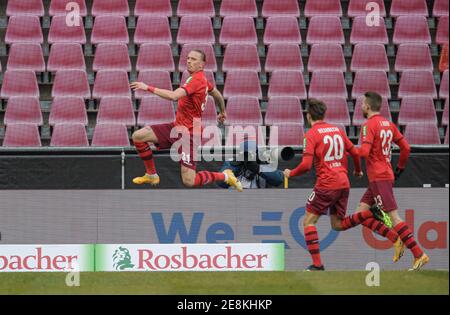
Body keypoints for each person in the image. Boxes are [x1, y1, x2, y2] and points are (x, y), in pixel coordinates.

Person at [284, 99, 384, 271]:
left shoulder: (311, 135)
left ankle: (317, 265)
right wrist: (358, 171)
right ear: (324, 114)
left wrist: (290, 173)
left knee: (308, 222)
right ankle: (367, 214)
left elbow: (307, 165)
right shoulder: (338, 129)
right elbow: (354, 152)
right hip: (343, 183)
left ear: (309, 116)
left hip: (326, 184)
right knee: (337, 225)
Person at [129, 49, 242, 192]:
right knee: (138, 136)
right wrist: (222, 110)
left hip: (189, 134)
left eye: (194, 59)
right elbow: (217, 94)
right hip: (177, 127)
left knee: (189, 181)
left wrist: (147, 87)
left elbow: (174, 96)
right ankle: (151, 174)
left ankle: (225, 176)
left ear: (202, 64)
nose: (189, 61)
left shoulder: (197, 80)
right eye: (188, 58)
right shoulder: (202, 80)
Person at [356, 92, 429, 270]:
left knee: (393, 216)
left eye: (362, 103)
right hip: (383, 175)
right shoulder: (389, 124)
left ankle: (419, 254)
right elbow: (406, 147)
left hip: (379, 177)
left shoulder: (368, 125)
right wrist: (399, 169)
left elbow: (364, 153)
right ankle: (395, 239)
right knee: (361, 214)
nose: (360, 106)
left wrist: (349, 150)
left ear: (367, 106)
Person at [218, 139, 285, 189]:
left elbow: (278, 180)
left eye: (252, 153)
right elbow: (220, 183)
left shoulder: (263, 162)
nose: (249, 157)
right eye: (246, 154)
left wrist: (258, 168)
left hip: (259, 198)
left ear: (256, 153)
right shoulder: (232, 162)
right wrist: (236, 166)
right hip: (235, 198)